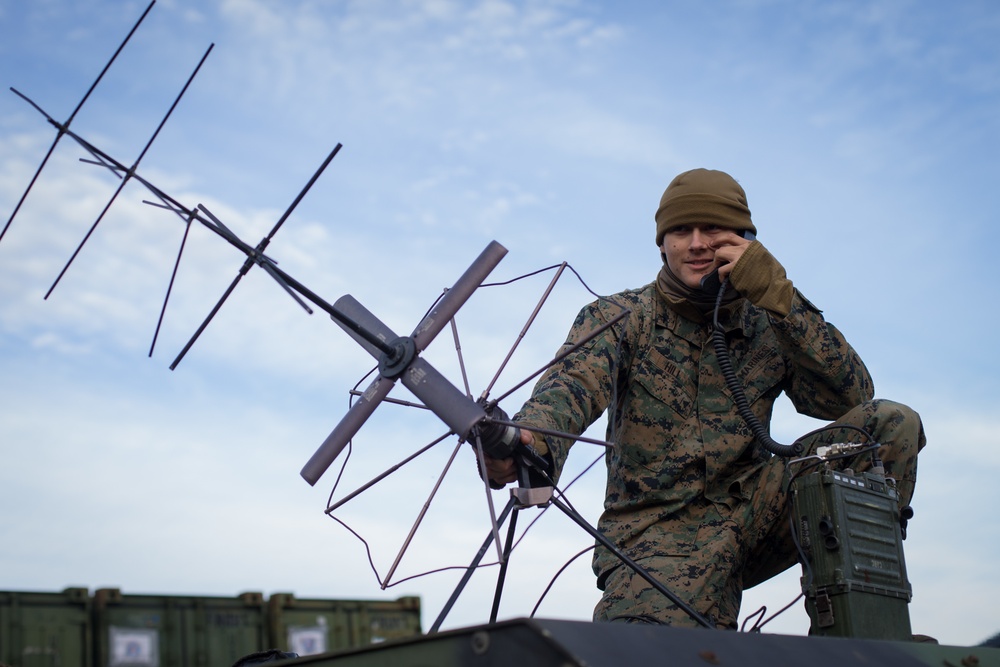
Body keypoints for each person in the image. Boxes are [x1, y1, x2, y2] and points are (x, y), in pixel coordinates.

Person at [483, 168, 925, 629]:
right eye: (680, 230)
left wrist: (782, 300)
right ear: (662, 243)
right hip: (657, 538)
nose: (696, 243)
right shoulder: (619, 316)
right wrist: (525, 443)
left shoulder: (771, 318)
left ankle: (855, 626)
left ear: (744, 239)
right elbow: (570, 388)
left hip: (757, 513)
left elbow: (852, 399)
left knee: (890, 425)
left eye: (712, 228)